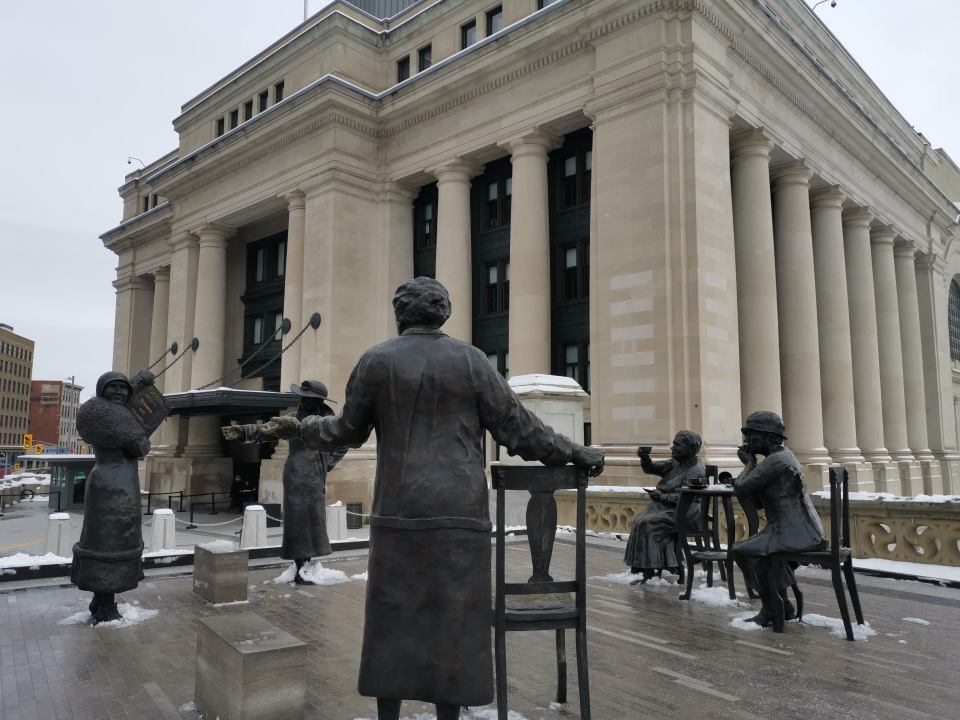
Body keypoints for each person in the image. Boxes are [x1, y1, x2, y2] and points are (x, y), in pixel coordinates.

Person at [240, 277, 605, 720]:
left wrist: (300, 427)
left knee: (391, 618)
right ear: (444, 312)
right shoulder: (471, 361)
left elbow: (344, 432)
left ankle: (388, 713)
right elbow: (520, 429)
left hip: (399, 508)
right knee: (455, 617)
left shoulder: (376, 361)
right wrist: (575, 451)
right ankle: (448, 713)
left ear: (401, 314)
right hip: (460, 511)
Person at [223, 380, 346, 583]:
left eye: (308, 397)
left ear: (318, 400)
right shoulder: (291, 419)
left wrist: (328, 464)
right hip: (295, 476)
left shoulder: (328, 420)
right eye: (302, 396)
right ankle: (299, 567)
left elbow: (343, 443)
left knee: (313, 522)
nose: (303, 399)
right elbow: (266, 429)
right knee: (296, 523)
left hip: (315, 478)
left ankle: (308, 566)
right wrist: (243, 431)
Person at [731, 410, 827, 628]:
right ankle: (781, 606)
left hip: (796, 532)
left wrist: (749, 464)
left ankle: (772, 607)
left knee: (743, 552)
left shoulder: (776, 461)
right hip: (791, 529)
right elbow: (756, 502)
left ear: (768, 437)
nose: (747, 440)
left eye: (752, 435)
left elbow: (741, 488)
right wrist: (752, 467)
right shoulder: (781, 457)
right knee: (764, 559)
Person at [72, 370, 153, 623]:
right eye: (113, 387)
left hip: (101, 478)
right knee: (114, 542)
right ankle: (106, 605)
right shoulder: (118, 417)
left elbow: (119, 409)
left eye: (123, 388)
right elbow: (140, 446)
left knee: (97, 538)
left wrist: (139, 383)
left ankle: (99, 597)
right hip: (119, 484)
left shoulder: (96, 412)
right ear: (102, 390)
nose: (119, 392)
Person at [623, 431, 704, 584]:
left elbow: (689, 497)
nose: (672, 448)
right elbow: (652, 468)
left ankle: (651, 572)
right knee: (639, 520)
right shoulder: (675, 462)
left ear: (691, 449)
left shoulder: (696, 469)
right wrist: (644, 457)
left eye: (677, 444)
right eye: (673, 443)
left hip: (685, 512)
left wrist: (662, 497)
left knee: (649, 523)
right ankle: (642, 567)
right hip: (666, 507)